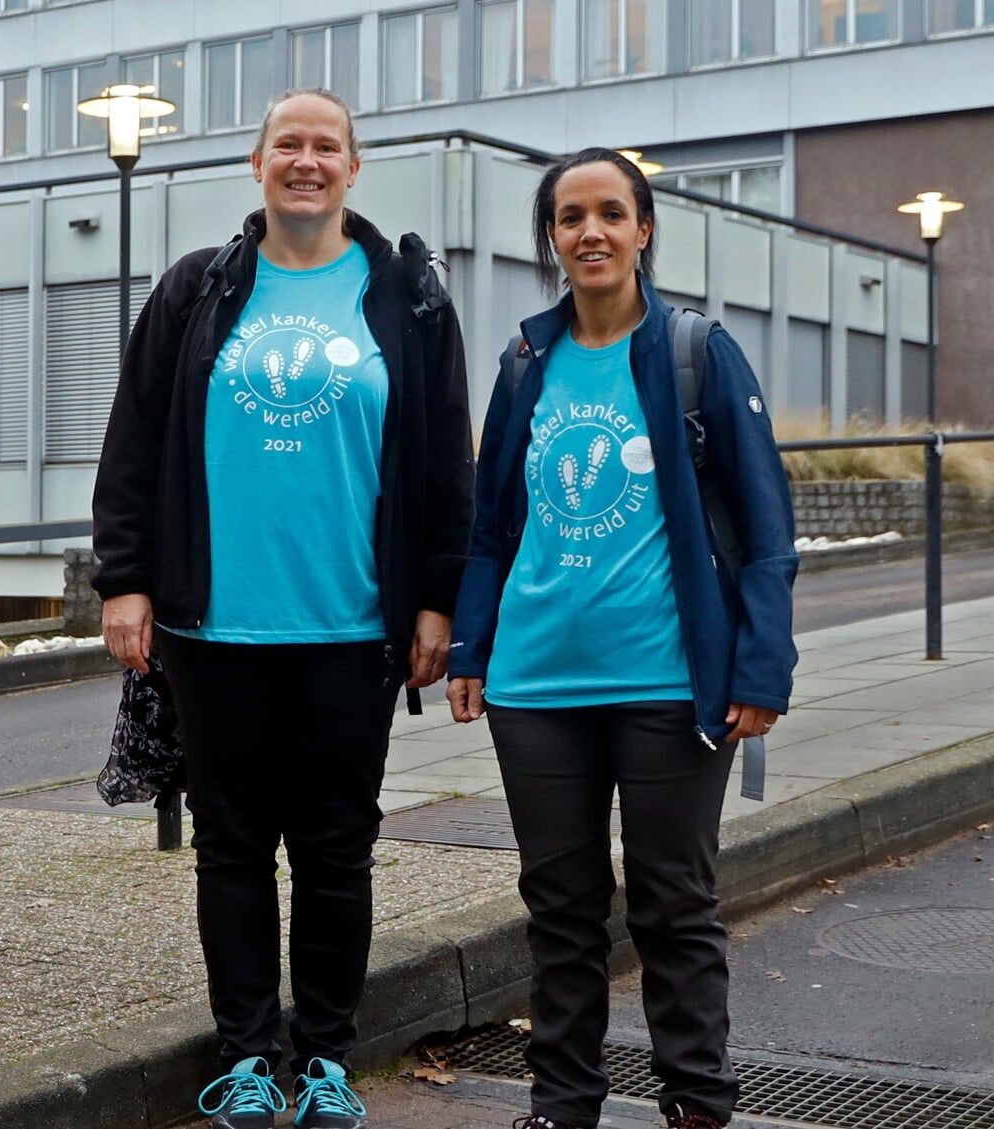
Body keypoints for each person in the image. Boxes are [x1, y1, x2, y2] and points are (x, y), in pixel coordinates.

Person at [91, 88, 474, 1129]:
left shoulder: (405, 296)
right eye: (287, 145)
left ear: (353, 168)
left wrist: (438, 602)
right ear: (255, 164)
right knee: (230, 845)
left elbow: (447, 462)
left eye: (326, 146)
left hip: (354, 626)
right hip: (214, 626)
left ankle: (326, 1059)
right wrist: (123, 579)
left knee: (337, 847)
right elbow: (132, 445)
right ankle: (249, 1056)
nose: (306, 161)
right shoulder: (199, 290)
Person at [445, 148, 798, 1129]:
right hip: (535, 683)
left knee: (671, 901)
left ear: (643, 229)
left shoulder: (694, 351)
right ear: (551, 238)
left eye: (610, 213)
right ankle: (562, 1101)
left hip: (666, 679)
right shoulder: (524, 361)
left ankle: (695, 1097)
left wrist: (762, 662)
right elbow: (491, 529)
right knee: (557, 908)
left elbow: (766, 526)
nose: (589, 231)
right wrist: (472, 649)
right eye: (569, 217)